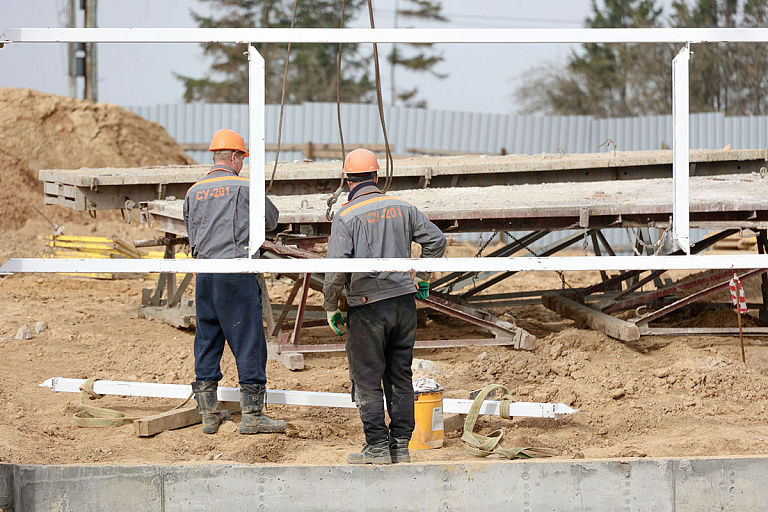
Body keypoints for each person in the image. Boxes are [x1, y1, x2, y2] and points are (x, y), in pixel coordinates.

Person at [323, 148, 447, 464]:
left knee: (366, 378)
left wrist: (331, 307)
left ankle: (376, 447)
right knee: (399, 375)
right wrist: (423, 277)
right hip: (404, 305)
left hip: (367, 307)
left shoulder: (346, 216)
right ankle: (400, 447)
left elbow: (336, 271)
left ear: (347, 180)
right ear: (377, 176)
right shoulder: (403, 208)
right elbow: (437, 241)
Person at [183, 128, 286, 435]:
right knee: (249, 342)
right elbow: (271, 221)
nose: (242, 163)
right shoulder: (244, 186)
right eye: (242, 157)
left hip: (205, 276)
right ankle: (253, 415)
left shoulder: (193, 191)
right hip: (236, 273)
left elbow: (191, 232)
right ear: (233, 156)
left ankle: (209, 415)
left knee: (207, 340)